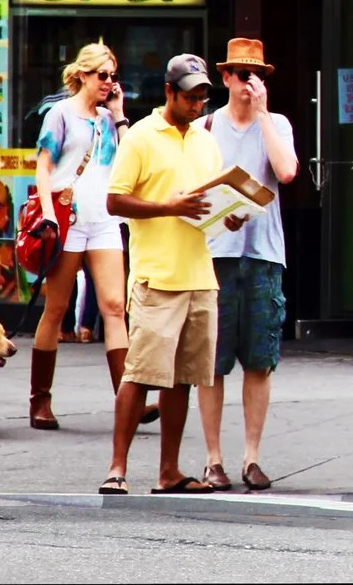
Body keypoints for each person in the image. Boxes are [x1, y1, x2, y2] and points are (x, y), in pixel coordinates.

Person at [101, 55, 227, 495]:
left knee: (183, 379)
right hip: (156, 276)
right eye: (190, 96)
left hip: (199, 275)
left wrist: (231, 215)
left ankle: (168, 472)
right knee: (139, 374)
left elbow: (211, 199)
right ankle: (117, 469)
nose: (197, 105)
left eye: (202, 97)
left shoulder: (205, 140)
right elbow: (115, 201)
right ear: (169, 92)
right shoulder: (140, 137)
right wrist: (169, 208)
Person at [196, 39, 298, 491]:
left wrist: (262, 114)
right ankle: (213, 459)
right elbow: (191, 192)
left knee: (260, 360)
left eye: (255, 76)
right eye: (239, 74)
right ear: (224, 78)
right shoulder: (205, 127)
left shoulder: (275, 123)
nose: (246, 83)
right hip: (214, 253)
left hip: (262, 254)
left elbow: (288, 170)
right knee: (212, 363)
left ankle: (252, 457)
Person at [29, 42, 137, 431]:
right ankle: (40, 399)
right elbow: (43, 167)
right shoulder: (60, 114)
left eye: (113, 76)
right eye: (103, 75)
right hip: (68, 218)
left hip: (104, 220)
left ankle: (128, 399)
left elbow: (128, 164)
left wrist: (121, 115)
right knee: (56, 309)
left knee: (113, 306)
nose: (109, 83)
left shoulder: (109, 119)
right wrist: (46, 213)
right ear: (83, 75)